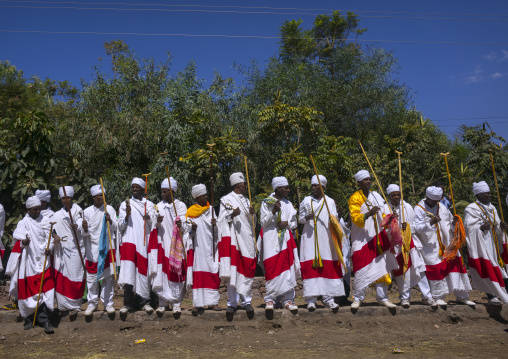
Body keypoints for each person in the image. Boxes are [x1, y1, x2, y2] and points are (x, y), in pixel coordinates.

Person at [413, 186, 474, 306]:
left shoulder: (442, 207)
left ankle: (462, 295)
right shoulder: (418, 209)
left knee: (454, 265)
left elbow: (449, 223)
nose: (435, 203)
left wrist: (453, 223)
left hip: (446, 242)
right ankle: (438, 296)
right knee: (436, 269)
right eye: (432, 201)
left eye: (437, 201)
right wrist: (430, 223)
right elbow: (416, 228)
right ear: (427, 198)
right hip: (429, 245)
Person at [348, 170, 398, 310]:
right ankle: (358, 298)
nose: (369, 182)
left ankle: (382, 298)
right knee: (360, 266)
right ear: (358, 183)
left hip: (377, 236)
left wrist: (390, 218)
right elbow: (355, 217)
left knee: (381, 267)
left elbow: (384, 214)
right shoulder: (354, 198)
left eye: (369, 179)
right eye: (365, 180)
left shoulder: (376, 196)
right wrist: (368, 214)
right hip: (361, 238)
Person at [5, 196, 54, 333]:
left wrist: (49, 247)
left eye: (39, 209)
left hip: (44, 260)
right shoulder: (23, 223)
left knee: (45, 290)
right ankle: (29, 318)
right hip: (29, 262)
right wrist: (22, 243)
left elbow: (50, 237)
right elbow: (16, 243)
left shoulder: (46, 221)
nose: (38, 211)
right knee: (29, 289)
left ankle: (45, 319)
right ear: (28, 210)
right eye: (35, 209)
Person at [299, 174, 345, 312]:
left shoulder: (330, 201)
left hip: (326, 239)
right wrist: (306, 217)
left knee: (327, 267)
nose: (313, 188)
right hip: (310, 238)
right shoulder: (306, 200)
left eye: (316, 185)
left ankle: (328, 300)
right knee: (310, 267)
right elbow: (299, 219)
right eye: (312, 185)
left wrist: (338, 217)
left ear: (323, 187)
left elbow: (334, 220)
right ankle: (311, 300)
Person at [259, 177, 300, 313]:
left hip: (286, 240)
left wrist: (287, 223)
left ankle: (287, 299)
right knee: (272, 268)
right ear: (277, 188)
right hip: (271, 240)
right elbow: (263, 222)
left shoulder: (288, 204)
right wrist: (273, 212)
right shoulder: (266, 202)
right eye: (286, 188)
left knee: (287, 268)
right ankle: (271, 299)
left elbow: (294, 223)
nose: (288, 190)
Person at [383, 184, 428, 307]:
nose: (396, 197)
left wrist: (406, 226)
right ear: (389, 196)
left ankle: (427, 296)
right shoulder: (385, 208)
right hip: (393, 245)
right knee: (401, 272)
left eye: (398, 194)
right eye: (394, 195)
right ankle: (405, 298)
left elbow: (414, 226)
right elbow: (381, 227)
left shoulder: (407, 207)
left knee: (418, 268)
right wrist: (392, 224)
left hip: (409, 242)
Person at [218, 172, 256, 315]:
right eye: (244, 183)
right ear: (238, 184)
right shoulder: (226, 199)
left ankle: (247, 301)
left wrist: (253, 214)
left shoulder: (247, 200)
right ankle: (232, 303)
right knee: (233, 269)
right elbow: (221, 220)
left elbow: (252, 223)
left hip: (246, 239)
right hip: (233, 239)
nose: (246, 186)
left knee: (246, 268)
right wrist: (231, 215)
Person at [464, 181, 508, 305]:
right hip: (481, 243)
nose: (490, 195)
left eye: (489, 193)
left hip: (492, 240)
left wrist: (501, 226)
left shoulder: (492, 207)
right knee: (488, 265)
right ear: (479, 195)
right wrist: (480, 228)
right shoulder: (471, 208)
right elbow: (469, 227)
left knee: (497, 266)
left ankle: (501, 292)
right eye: (487, 193)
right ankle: (491, 294)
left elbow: (496, 223)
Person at [149, 178, 188, 315]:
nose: (163, 194)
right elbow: (153, 224)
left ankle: (176, 303)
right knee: (162, 272)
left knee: (176, 273)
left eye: (165, 192)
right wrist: (157, 221)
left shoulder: (181, 206)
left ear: (172, 191)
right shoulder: (158, 206)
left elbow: (185, 223)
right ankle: (163, 303)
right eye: (162, 192)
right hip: (163, 243)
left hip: (176, 244)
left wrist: (180, 224)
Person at [118, 178, 157, 315]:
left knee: (143, 270)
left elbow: (154, 222)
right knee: (129, 271)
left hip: (143, 241)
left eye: (137, 187)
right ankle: (128, 304)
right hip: (129, 240)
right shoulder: (125, 204)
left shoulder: (149, 204)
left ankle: (144, 302)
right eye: (132, 187)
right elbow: (120, 226)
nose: (134, 189)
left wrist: (149, 218)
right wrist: (127, 216)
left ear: (142, 189)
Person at [81, 185, 118, 316]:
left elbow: (116, 228)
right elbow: (83, 233)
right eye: (99, 195)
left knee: (108, 277)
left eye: (103, 195)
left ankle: (108, 303)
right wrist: (84, 228)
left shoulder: (110, 209)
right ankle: (92, 303)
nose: (101, 197)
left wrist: (111, 220)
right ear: (93, 197)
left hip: (107, 247)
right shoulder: (86, 212)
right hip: (92, 249)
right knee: (91, 278)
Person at [184, 184, 221, 312]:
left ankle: (213, 302)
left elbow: (217, 231)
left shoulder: (211, 209)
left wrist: (215, 225)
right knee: (198, 275)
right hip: (198, 248)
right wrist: (192, 229)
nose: (206, 197)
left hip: (211, 248)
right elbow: (187, 234)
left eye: (206, 195)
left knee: (213, 272)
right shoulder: (191, 212)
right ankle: (198, 303)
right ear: (197, 197)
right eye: (203, 195)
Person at [52, 185, 86, 314]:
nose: (66, 200)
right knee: (62, 276)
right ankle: (63, 306)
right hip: (62, 249)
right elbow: (52, 229)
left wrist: (77, 226)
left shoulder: (78, 210)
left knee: (76, 275)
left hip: (76, 248)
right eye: (63, 198)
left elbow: (83, 226)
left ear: (72, 198)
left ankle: (75, 305)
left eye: (68, 198)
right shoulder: (56, 215)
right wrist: (55, 235)